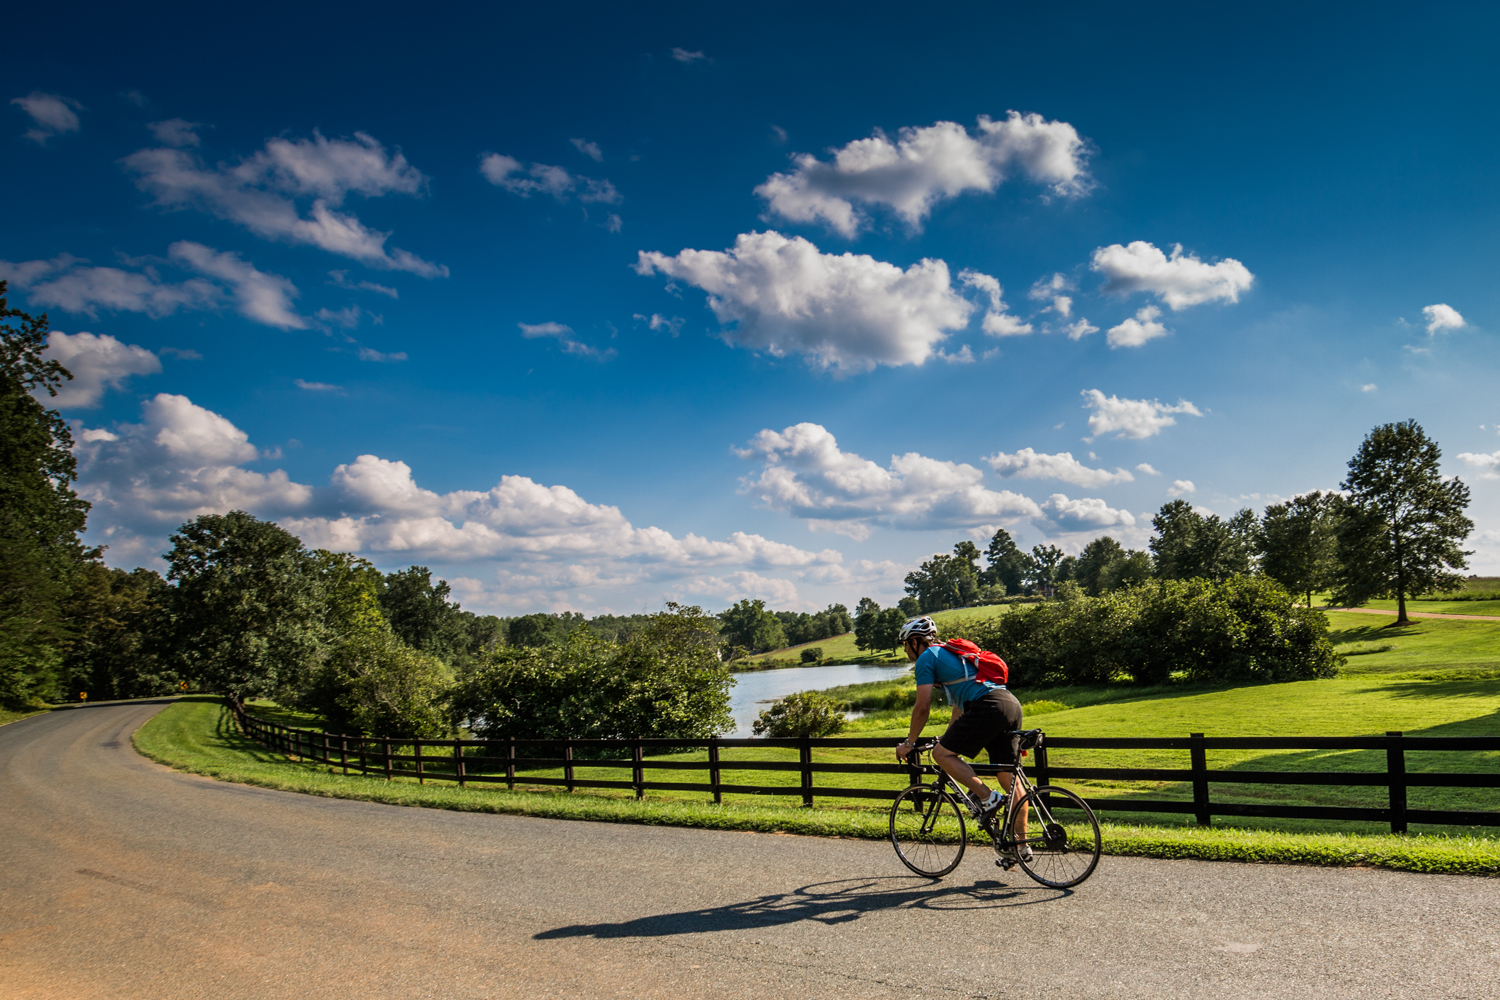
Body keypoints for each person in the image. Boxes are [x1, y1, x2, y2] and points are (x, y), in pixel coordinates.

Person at [893, 616, 1028, 851]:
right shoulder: (951, 655)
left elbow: (922, 706)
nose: (905, 650)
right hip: (1009, 703)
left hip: (987, 706)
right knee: (1010, 779)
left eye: (905, 644)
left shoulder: (926, 658)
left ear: (915, 642)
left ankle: (987, 797)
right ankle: (1020, 846)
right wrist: (947, 739)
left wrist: (909, 743)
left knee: (941, 755)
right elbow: (959, 707)